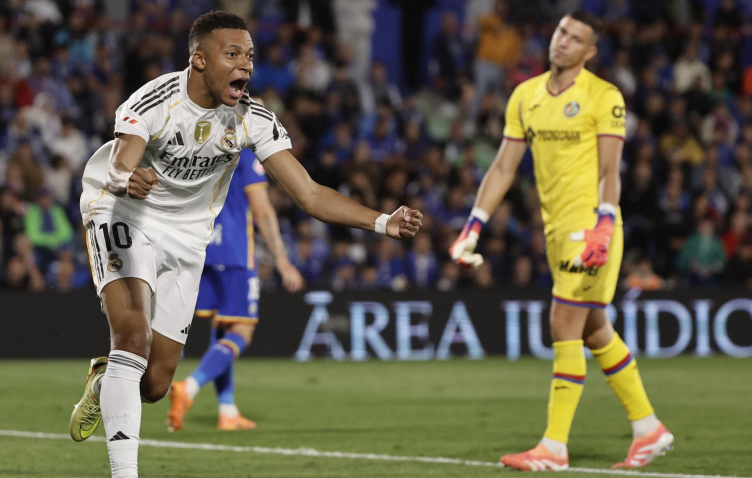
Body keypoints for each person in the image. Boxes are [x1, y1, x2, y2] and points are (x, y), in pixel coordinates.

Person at [67, 11, 422, 478]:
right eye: (232, 54)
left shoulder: (252, 119)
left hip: (189, 238)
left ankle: (103, 383)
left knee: (153, 383)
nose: (245, 65)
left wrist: (382, 222)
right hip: (123, 212)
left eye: (249, 56)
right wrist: (126, 178)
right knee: (131, 339)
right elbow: (118, 163)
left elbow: (309, 193)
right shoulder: (154, 100)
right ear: (199, 60)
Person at [449, 10, 672, 472]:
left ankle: (553, 446)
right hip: (555, 232)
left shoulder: (603, 97)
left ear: (590, 52)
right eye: (560, 32)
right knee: (594, 330)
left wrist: (605, 226)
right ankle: (648, 428)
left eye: (575, 39)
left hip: (591, 229)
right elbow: (504, 168)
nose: (563, 42)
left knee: (563, 325)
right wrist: (474, 226)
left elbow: (612, 170)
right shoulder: (525, 95)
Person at [165, 146, 305, 432]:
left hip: (198, 249)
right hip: (234, 253)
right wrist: (282, 260)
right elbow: (263, 211)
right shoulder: (245, 154)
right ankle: (189, 388)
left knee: (222, 329)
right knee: (242, 331)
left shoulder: (198, 146)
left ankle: (227, 410)